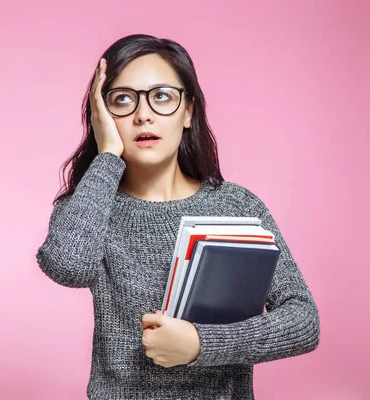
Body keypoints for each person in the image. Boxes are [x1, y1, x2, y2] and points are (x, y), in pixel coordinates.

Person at [35, 34, 320, 400]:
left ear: (188, 112)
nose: (143, 114)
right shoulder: (92, 205)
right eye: (122, 99)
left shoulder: (237, 206)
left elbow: (303, 321)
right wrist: (107, 156)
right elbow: (67, 266)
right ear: (101, 115)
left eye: (162, 96)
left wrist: (202, 343)